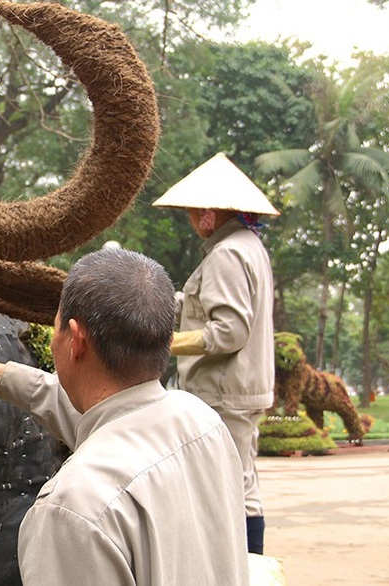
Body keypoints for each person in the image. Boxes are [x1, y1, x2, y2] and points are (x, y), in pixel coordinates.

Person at [0, 248, 248, 585]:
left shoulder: (71, 508)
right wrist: (3, 376)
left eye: (56, 326)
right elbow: (104, 419)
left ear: (75, 339)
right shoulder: (203, 423)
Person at [152, 152, 280, 555]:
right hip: (241, 389)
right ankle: (247, 568)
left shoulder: (227, 255)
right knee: (243, 482)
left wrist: (163, 342)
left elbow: (228, 331)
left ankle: (242, 568)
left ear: (209, 213)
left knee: (231, 487)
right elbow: (205, 306)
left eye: (192, 212)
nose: (190, 220)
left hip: (224, 392)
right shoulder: (247, 246)